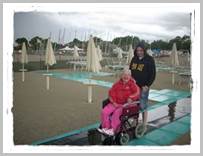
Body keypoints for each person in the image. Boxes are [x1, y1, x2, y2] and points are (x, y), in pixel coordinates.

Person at [98, 68, 140, 136]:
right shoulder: (117, 84)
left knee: (116, 113)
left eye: (127, 75)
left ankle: (113, 130)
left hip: (126, 105)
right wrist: (113, 102)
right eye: (124, 74)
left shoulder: (132, 84)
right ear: (121, 75)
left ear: (130, 76)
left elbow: (137, 92)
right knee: (104, 112)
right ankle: (106, 128)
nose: (125, 76)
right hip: (116, 103)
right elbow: (111, 93)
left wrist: (131, 98)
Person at [129, 43, 156, 134]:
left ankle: (144, 123)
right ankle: (135, 120)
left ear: (144, 50)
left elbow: (153, 74)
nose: (139, 52)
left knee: (143, 105)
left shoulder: (149, 60)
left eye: (141, 50)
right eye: (137, 51)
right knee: (134, 104)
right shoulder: (134, 59)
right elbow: (130, 71)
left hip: (144, 86)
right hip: (133, 86)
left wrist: (147, 85)